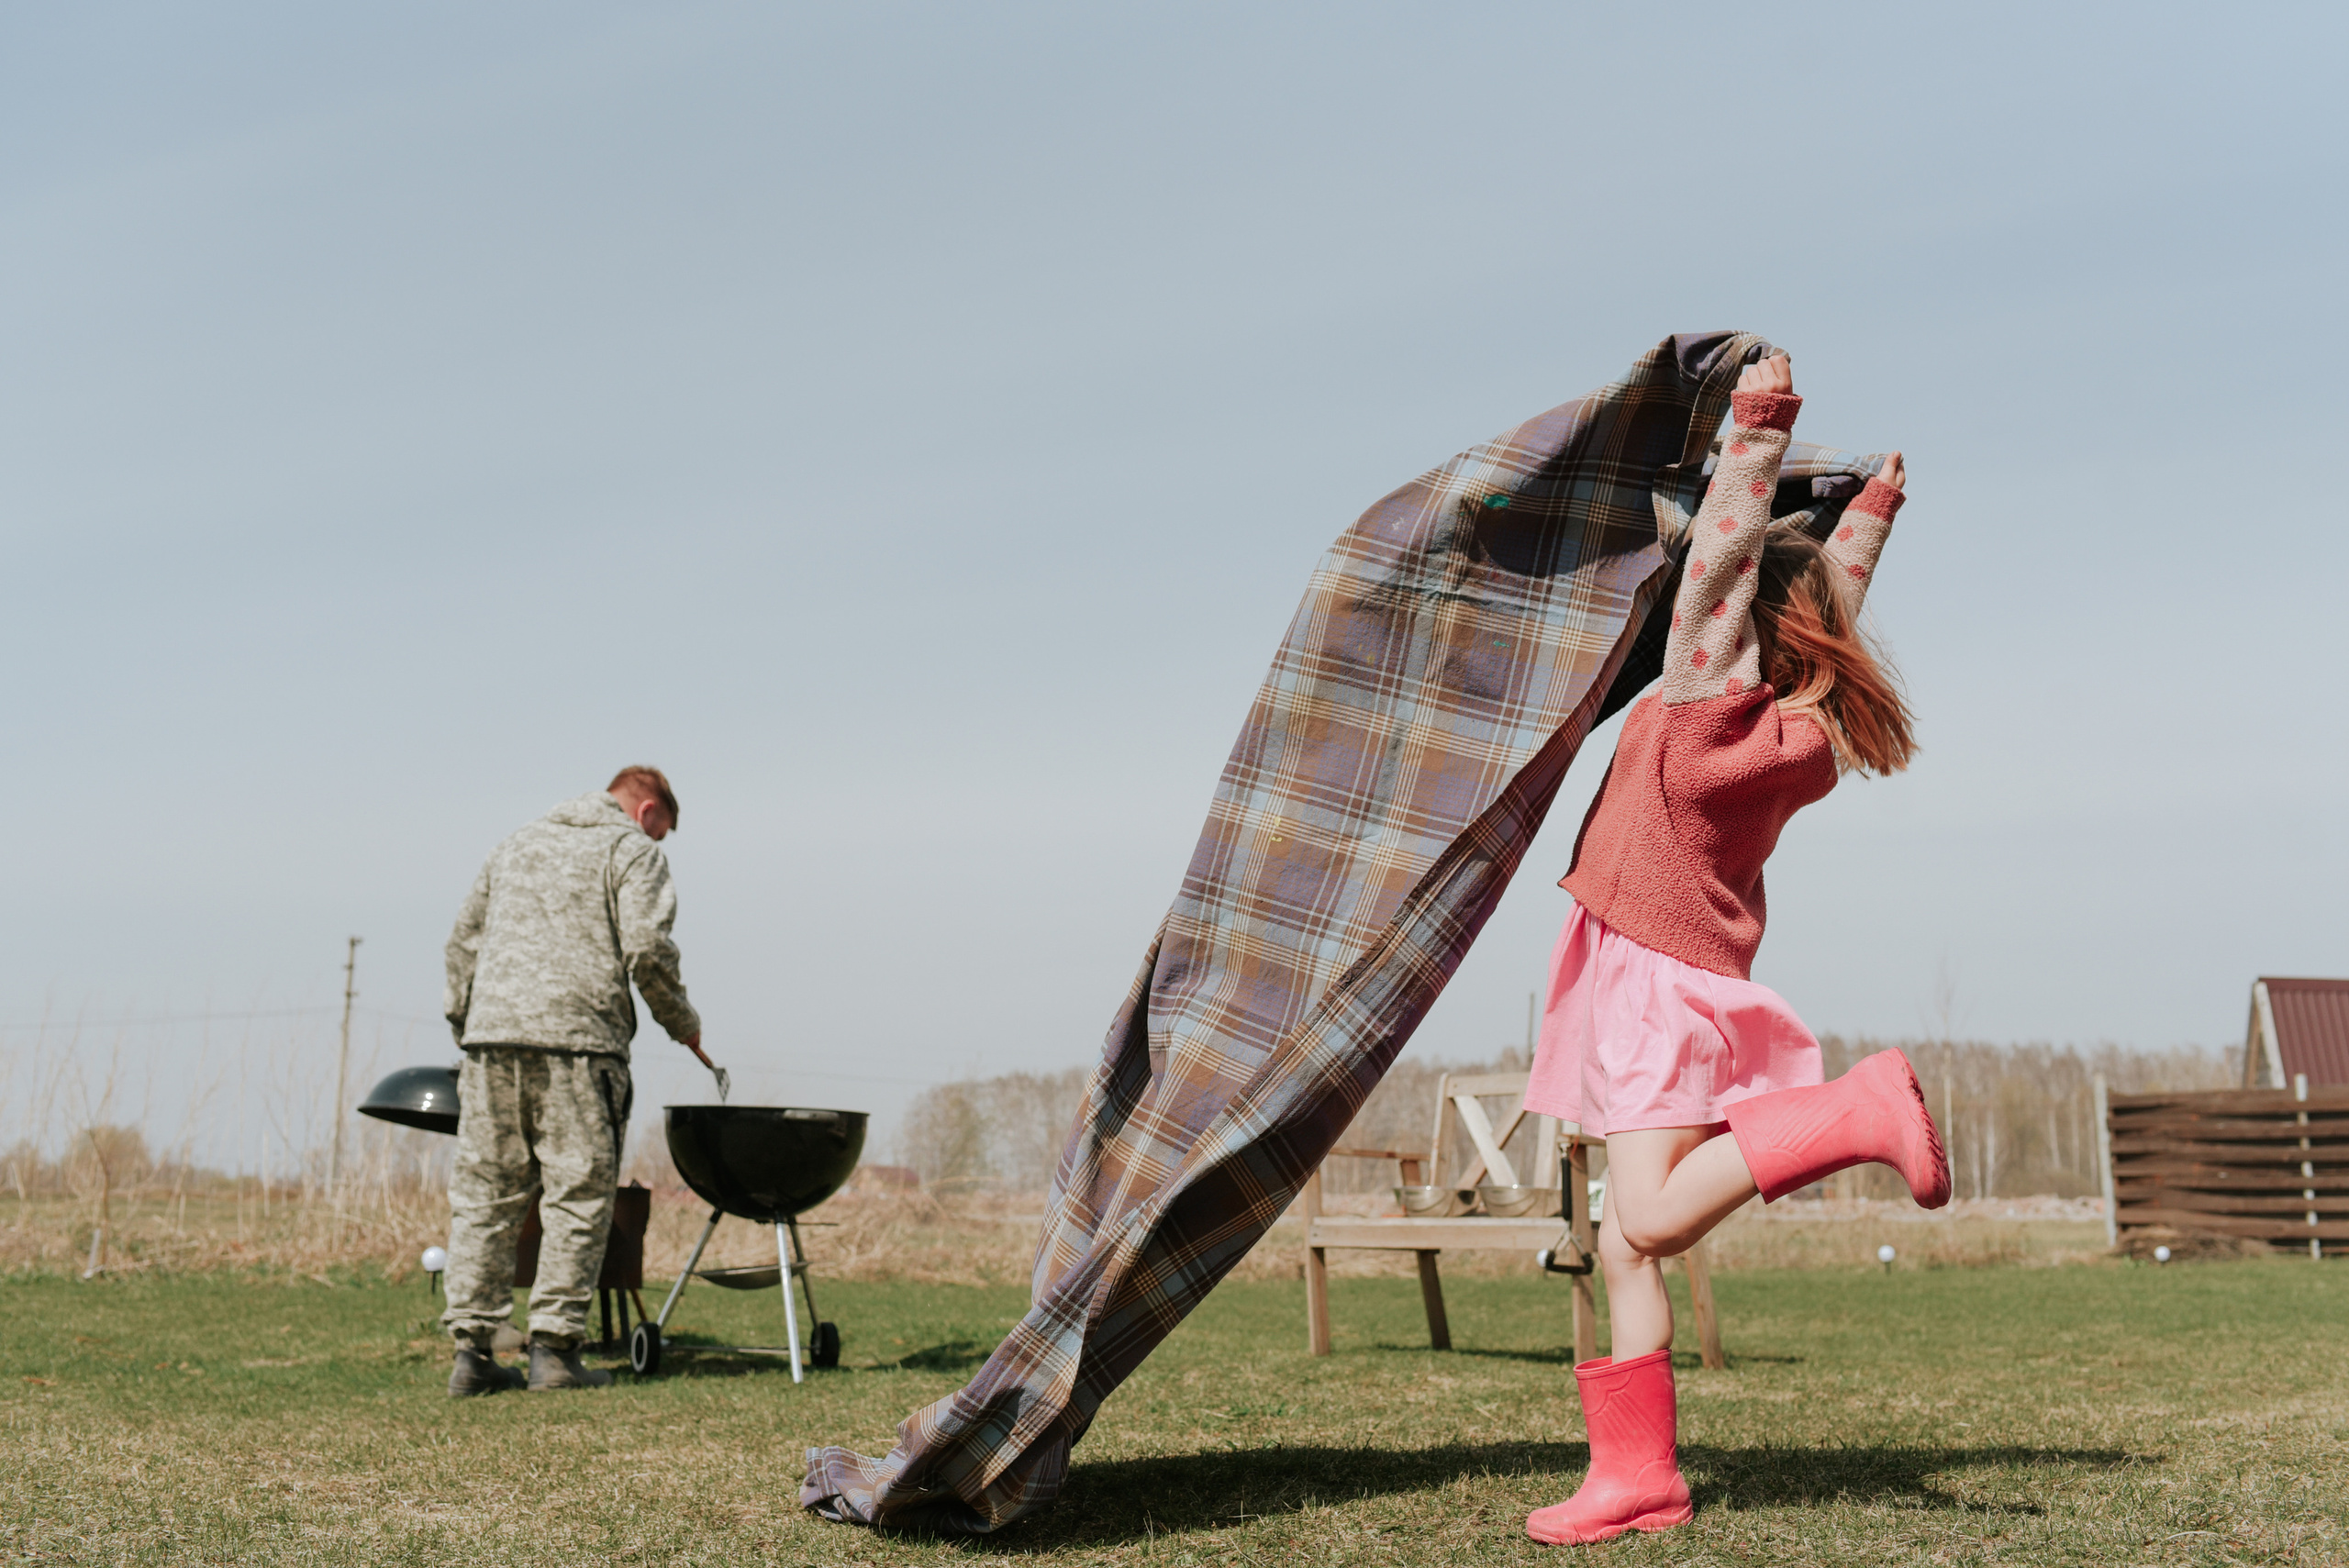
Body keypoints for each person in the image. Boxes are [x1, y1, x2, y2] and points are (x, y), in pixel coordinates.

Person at [1520, 352, 1949, 1544]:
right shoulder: (1791, 726)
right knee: (1622, 1240)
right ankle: (1637, 1475)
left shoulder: (1708, 707)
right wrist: (1870, 512)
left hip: (1655, 982)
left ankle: (1860, 1112)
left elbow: (1722, 559)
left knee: (1644, 1218)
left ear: (1740, 621)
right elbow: (1821, 592)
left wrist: (1760, 426)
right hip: (1672, 972)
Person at [439, 765, 718, 1396]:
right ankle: (556, 1352)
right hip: (579, 1043)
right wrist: (684, 1025)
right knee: (577, 1195)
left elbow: (461, 945)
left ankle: (473, 1355)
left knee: (485, 1196)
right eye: (662, 832)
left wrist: (470, 1025)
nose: (659, 843)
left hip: (492, 1042)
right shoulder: (629, 851)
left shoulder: (515, 844)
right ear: (648, 810)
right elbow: (647, 947)